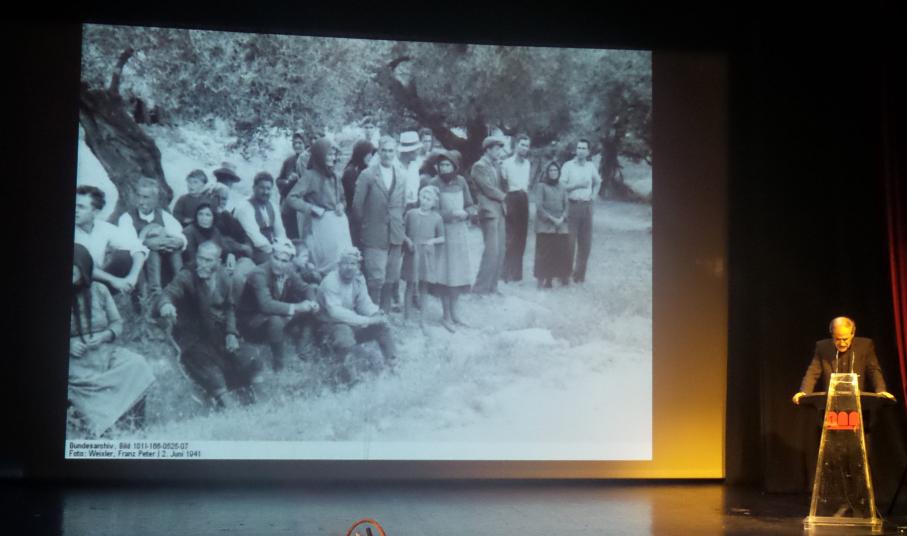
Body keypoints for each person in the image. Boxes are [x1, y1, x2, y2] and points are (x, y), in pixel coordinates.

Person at [158, 240, 262, 408]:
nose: (203, 264)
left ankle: (261, 403)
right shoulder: (187, 276)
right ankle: (231, 410)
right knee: (212, 373)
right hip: (193, 338)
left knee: (252, 358)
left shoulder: (223, 276)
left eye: (208, 260)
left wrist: (231, 333)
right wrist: (166, 305)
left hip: (219, 334)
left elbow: (229, 307)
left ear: (218, 262)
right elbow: (169, 292)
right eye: (200, 258)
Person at [69, 244, 155, 437]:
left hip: (104, 353)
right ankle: (105, 428)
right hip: (76, 361)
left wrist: (104, 335)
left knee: (137, 364)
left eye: (74, 268)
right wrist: (69, 345)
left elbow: (117, 323)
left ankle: (135, 425)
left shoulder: (99, 290)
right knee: (82, 382)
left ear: (84, 267)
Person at [238, 238, 320, 371]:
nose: (279, 264)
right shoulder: (259, 273)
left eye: (284, 261)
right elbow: (266, 305)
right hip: (252, 323)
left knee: (310, 307)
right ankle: (279, 364)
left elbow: (306, 288)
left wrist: (313, 302)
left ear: (290, 262)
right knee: (276, 320)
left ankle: (302, 348)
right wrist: (297, 307)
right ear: (270, 256)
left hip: (272, 315)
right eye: (276, 258)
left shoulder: (288, 270)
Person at [318, 247, 397, 384]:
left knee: (382, 326)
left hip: (351, 322)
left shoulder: (358, 278)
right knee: (344, 335)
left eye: (353, 263)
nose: (349, 267)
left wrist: (375, 313)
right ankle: (350, 380)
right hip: (329, 324)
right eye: (345, 263)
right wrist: (368, 320)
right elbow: (335, 312)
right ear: (338, 265)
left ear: (358, 266)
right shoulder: (330, 281)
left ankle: (393, 365)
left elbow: (364, 303)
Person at [352, 135, 407, 309]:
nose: (387, 154)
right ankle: (371, 311)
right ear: (379, 152)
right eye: (384, 150)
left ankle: (385, 312)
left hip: (395, 233)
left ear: (395, 152)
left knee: (391, 276)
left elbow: (402, 204)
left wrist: (397, 224)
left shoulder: (401, 175)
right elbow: (357, 207)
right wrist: (367, 226)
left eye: (391, 151)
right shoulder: (367, 175)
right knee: (376, 277)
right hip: (374, 233)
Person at [286, 137, 353, 275]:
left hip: (339, 226)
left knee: (341, 261)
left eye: (334, 154)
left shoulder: (335, 176)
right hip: (320, 225)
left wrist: (342, 205)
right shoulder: (310, 176)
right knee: (322, 264)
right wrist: (311, 209)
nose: (332, 158)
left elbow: (342, 198)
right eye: (329, 154)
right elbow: (291, 198)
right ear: (320, 155)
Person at [792, 317, 894, 404]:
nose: (841, 343)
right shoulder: (822, 347)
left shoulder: (865, 346)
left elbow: (874, 370)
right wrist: (804, 392)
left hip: (858, 403)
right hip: (831, 404)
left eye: (845, 339)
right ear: (832, 335)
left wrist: (881, 390)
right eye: (837, 339)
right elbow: (813, 371)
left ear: (852, 334)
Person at [428, 150, 476, 330]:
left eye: (448, 165)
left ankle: (456, 313)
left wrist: (469, 213)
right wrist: (452, 213)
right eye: (442, 165)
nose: (444, 168)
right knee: (445, 273)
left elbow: (469, 204)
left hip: (460, 233)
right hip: (443, 233)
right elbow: (432, 211)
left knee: (457, 273)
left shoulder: (461, 181)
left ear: (455, 166)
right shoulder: (434, 183)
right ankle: (445, 315)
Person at [118, 178, 187, 296]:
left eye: (146, 197)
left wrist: (173, 242)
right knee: (150, 249)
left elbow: (180, 236)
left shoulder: (164, 215)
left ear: (156, 199)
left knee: (175, 250)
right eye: (138, 196)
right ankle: (154, 293)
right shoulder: (127, 217)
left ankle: (182, 289)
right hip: (139, 265)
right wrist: (147, 243)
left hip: (165, 261)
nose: (140, 202)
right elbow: (128, 243)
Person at [74, 185, 148, 294]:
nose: (75, 210)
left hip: (96, 280)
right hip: (75, 283)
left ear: (95, 212)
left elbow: (136, 246)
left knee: (126, 255)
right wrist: (113, 280)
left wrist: (133, 277)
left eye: (81, 207)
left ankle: (140, 298)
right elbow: (81, 266)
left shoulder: (102, 227)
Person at [402, 185, 445, 326]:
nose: (425, 201)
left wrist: (432, 241)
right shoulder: (411, 214)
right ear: (419, 197)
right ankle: (407, 318)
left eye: (429, 199)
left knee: (424, 287)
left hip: (426, 255)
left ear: (434, 203)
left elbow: (442, 237)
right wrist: (408, 241)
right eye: (423, 197)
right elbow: (402, 231)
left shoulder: (437, 218)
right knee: (410, 285)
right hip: (412, 253)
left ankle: (423, 320)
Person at [560, 139, 602, 283]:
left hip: (586, 206)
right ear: (575, 150)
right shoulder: (568, 166)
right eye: (579, 148)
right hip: (572, 205)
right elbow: (561, 187)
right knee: (569, 243)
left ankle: (579, 275)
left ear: (588, 152)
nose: (581, 151)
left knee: (585, 243)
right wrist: (577, 185)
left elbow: (598, 182)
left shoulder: (591, 166)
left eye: (584, 148)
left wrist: (593, 196)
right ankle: (564, 275)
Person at [471, 135, 507, 295]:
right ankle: (480, 288)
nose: (499, 152)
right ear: (487, 150)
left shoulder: (497, 166)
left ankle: (493, 287)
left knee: (500, 250)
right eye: (497, 149)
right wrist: (505, 197)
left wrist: (504, 174)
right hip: (488, 211)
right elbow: (487, 188)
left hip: (499, 210)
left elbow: (503, 185)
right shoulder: (479, 166)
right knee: (491, 250)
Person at [533, 161, 572, 288]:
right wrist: (552, 219)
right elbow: (539, 207)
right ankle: (541, 279)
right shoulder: (541, 186)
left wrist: (562, 218)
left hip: (561, 224)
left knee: (559, 251)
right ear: (547, 172)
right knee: (544, 252)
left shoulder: (562, 187)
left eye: (556, 170)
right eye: (551, 170)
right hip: (545, 225)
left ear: (559, 173)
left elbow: (567, 205)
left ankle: (555, 278)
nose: (553, 173)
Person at [234, 172, 287, 265]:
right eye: (262, 188)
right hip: (252, 249)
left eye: (268, 189)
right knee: (277, 263)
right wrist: (274, 252)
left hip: (270, 247)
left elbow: (280, 231)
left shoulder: (272, 205)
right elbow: (255, 237)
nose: (265, 192)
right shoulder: (245, 207)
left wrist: (283, 248)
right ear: (254, 188)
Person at [500, 134, 533, 283]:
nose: (524, 148)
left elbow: (526, 184)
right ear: (515, 145)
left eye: (527, 146)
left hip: (524, 199)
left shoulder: (527, 164)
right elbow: (503, 185)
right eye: (522, 145)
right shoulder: (506, 163)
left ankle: (516, 273)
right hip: (511, 198)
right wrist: (505, 203)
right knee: (510, 236)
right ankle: (504, 272)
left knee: (521, 236)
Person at [341, 139, 376, 247]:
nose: (371, 157)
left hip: (365, 215)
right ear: (361, 153)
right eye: (369, 154)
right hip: (354, 215)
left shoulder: (364, 169)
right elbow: (356, 195)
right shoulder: (351, 171)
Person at [277, 130, 309, 240]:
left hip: (304, 203)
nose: (297, 145)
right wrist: (288, 181)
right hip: (289, 204)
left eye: (300, 143)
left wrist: (300, 179)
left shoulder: (311, 161)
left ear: (305, 144)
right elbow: (279, 180)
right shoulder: (288, 161)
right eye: (294, 143)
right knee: (290, 234)